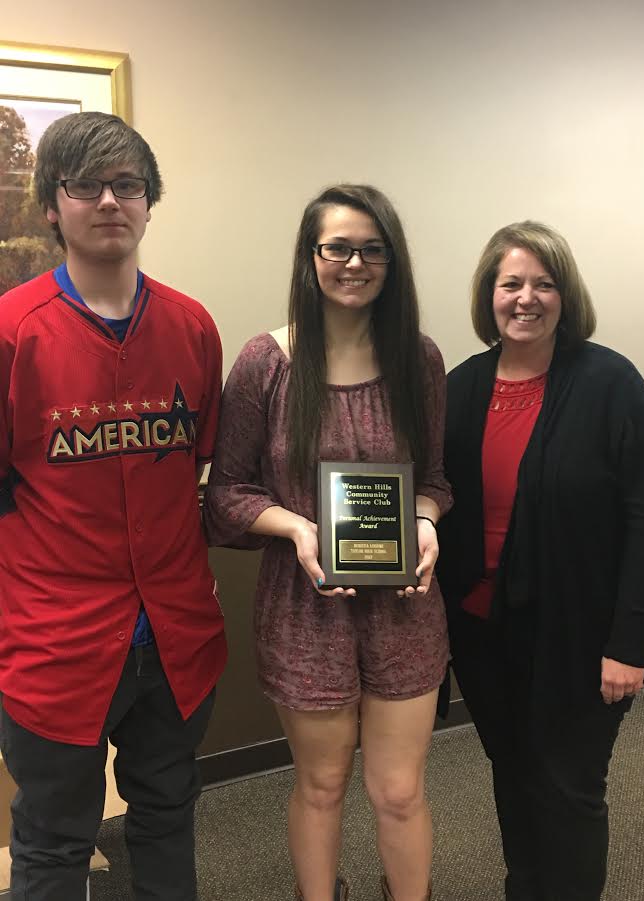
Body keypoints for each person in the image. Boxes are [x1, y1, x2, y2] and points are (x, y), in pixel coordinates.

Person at [0, 111, 227, 901]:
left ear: (149, 201)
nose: (109, 201)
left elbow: (195, 466)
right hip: (55, 638)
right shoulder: (12, 331)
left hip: (172, 635)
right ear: (51, 205)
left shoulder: (193, 327)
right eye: (86, 185)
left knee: (167, 817)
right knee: (54, 843)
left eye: (127, 185)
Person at [204, 184, 451, 901]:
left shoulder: (419, 360)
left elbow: (435, 479)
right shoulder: (266, 362)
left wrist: (427, 523)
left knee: (400, 789)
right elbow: (225, 497)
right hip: (303, 608)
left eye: (373, 248)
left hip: (405, 607)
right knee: (321, 783)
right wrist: (297, 526)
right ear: (311, 256)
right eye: (337, 246)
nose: (354, 262)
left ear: (391, 261)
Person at [435, 220, 644, 901]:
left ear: (566, 297)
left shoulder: (610, 383)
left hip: (580, 634)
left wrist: (629, 641)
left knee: (568, 785)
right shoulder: (461, 388)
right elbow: (433, 499)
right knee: (512, 773)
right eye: (511, 283)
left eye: (544, 284)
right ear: (490, 295)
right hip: (484, 633)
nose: (526, 297)